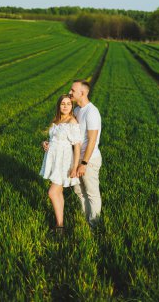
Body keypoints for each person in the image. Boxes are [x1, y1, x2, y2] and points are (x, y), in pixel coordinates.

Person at [40, 94, 81, 232]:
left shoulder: (72, 122)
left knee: (52, 193)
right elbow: (53, 139)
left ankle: (60, 226)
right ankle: (60, 224)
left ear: (72, 106)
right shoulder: (56, 120)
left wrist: (75, 166)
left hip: (64, 162)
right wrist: (45, 143)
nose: (65, 106)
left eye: (68, 104)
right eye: (63, 103)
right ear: (59, 106)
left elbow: (77, 146)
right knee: (58, 193)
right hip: (53, 160)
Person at [69, 79, 102, 227]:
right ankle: (85, 221)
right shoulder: (77, 110)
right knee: (78, 191)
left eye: (72, 91)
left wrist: (83, 163)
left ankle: (94, 225)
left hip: (89, 160)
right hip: (77, 158)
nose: (70, 93)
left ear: (82, 93)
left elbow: (92, 140)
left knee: (91, 192)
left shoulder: (92, 112)